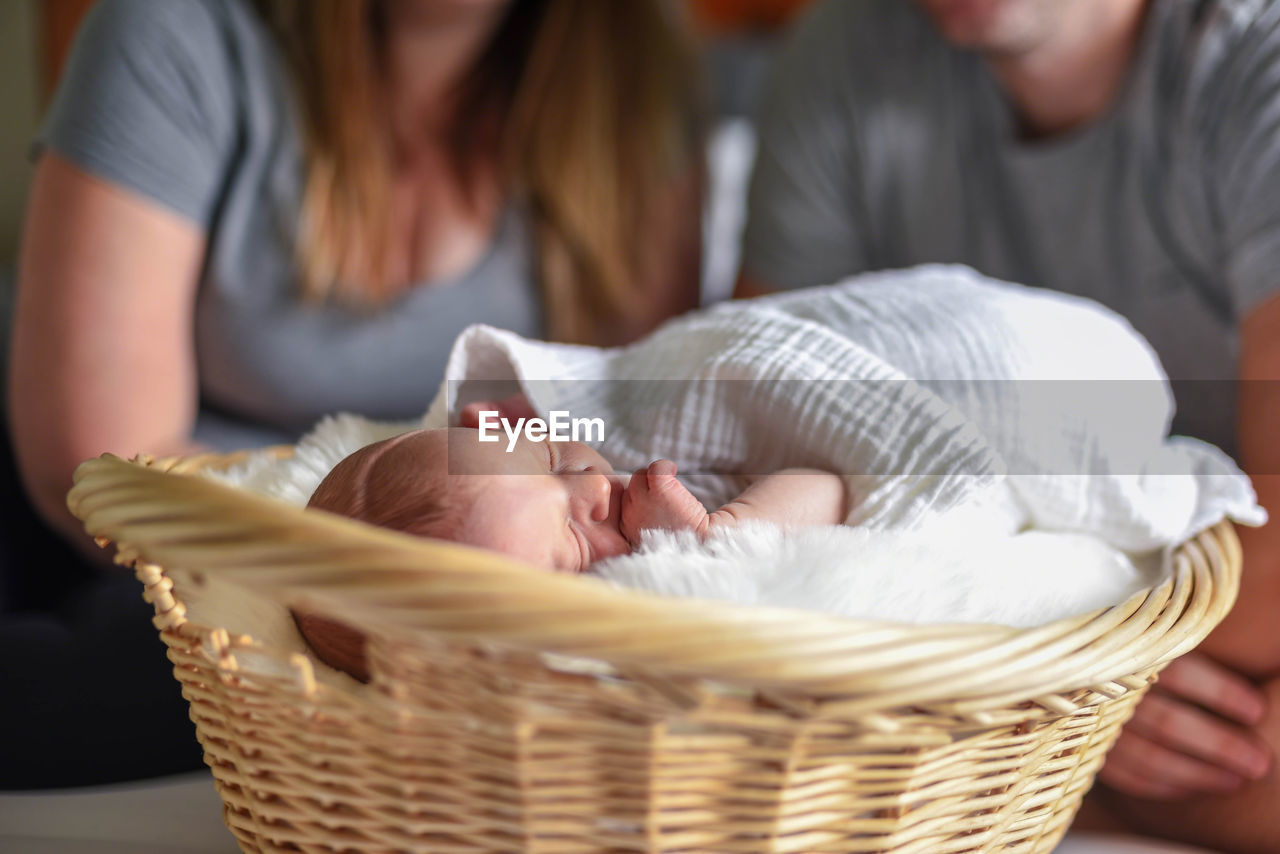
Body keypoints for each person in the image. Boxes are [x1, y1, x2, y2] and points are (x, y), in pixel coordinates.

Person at [2, 0, 703, 788]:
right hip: (169, 544)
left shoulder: (636, 74)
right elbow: (97, 469)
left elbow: (621, 417)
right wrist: (370, 582)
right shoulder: (173, 33)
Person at [736, 0, 1280, 848]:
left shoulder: (1255, 61)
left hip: (1209, 636)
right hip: (1064, 632)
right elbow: (745, 439)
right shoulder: (843, 52)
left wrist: (1062, 689)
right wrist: (1066, 696)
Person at [298, 408, 844, 682]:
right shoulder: (670, 583)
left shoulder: (542, 443)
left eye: (549, 459)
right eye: (577, 542)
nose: (594, 484)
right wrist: (722, 534)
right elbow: (828, 485)